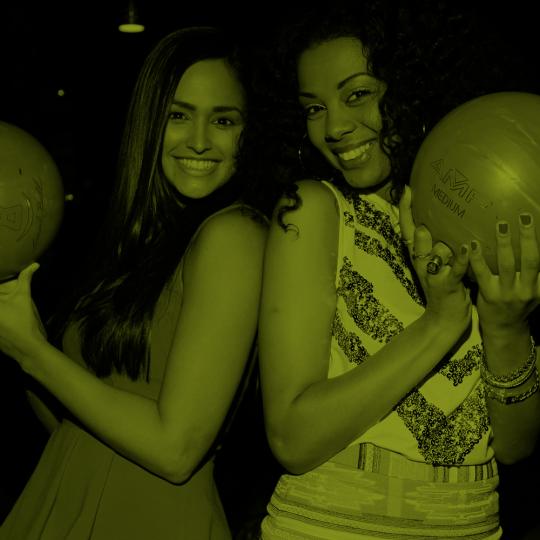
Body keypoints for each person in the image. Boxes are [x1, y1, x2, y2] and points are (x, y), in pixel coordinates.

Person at [254, 2, 540, 539]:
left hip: (474, 525)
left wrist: (508, 327)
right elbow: (291, 438)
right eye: (314, 108)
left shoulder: (486, 211)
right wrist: (442, 320)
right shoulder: (313, 210)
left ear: (410, 85)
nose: (335, 127)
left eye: (358, 93)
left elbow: (518, 448)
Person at [0, 25, 278, 539]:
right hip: (65, 501)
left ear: (249, 131)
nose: (198, 140)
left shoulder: (234, 234)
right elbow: (73, 429)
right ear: (149, 123)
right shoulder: (141, 241)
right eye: (177, 115)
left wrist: (33, 352)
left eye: (222, 119)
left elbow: (176, 450)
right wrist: (21, 334)